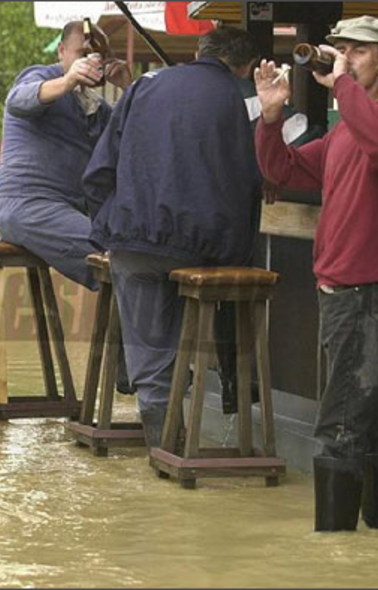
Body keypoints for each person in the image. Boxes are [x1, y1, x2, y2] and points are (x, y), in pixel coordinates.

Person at [254, 15, 378, 531]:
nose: (346, 57)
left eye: (360, 51)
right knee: (375, 421)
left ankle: (334, 552)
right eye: (342, 48)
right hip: (347, 292)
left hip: (365, 294)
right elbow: (281, 170)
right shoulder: (346, 131)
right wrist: (272, 117)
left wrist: (342, 83)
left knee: (339, 422)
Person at [82, 27, 263, 447]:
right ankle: (193, 427)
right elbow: (247, 183)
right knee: (189, 327)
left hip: (134, 241)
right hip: (203, 249)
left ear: (198, 51)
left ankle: (162, 443)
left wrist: (109, 224)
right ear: (245, 67)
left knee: (150, 347)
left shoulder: (144, 86)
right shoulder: (235, 101)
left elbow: (98, 172)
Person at [0, 20, 134, 391]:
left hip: (66, 210)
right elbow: (20, 100)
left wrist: (130, 88)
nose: (88, 63)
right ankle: (135, 370)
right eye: (80, 54)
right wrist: (69, 78)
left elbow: (135, 137)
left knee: (135, 256)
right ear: (62, 53)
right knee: (118, 259)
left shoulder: (98, 107)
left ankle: (132, 370)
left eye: (95, 58)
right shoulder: (42, 77)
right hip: (26, 205)